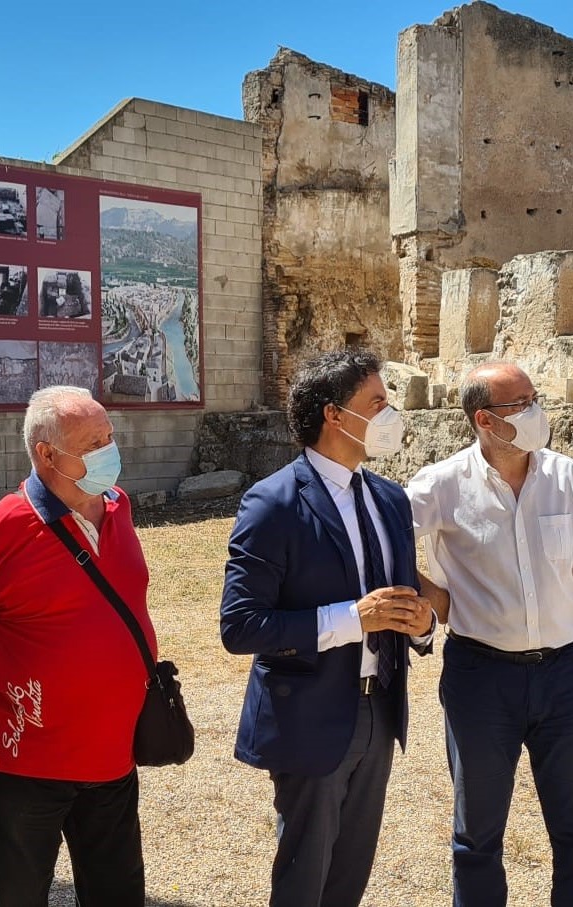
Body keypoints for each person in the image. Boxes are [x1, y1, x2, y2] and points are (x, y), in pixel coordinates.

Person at [221, 348, 436, 907]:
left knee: (349, 877)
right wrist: (350, 620)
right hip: (310, 716)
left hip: (380, 709)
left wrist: (422, 624)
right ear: (335, 415)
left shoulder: (389, 499)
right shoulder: (273, 502)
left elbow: (405, 594)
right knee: (303, 878)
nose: (390, 414)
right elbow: (240, 626)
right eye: (378, 403)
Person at [405, 361, 573, 907]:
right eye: (521, 403)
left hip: (564, 674)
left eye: (534, 397)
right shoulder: (440, 485)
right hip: (481, 678)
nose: (536, 411)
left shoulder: (566, 477)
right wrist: (438, 600)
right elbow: (381, 547)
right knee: (477, 835)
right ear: (484, 419)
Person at [0, 385, 154, 907]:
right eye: (94, 442)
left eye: (110, 436)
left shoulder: (118, 507)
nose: (110, 450)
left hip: (113, 759)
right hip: (24, 766)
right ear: (46, 454)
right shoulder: (1, 529)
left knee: (118, 895)